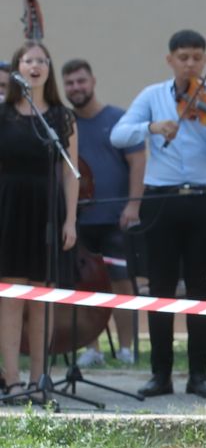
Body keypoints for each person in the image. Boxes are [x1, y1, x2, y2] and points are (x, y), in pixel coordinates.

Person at [110, 29, 206, 398]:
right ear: (171, 60)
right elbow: (119, 135)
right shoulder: (152, 96)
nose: (191, 64)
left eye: (197, 57)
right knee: (161, 286)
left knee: (201, 286)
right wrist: (151, 126)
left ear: (204, 58)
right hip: (161, 198)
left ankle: (199, 374)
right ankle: (160, 373)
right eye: (183, 57)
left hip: (204, 199)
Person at [0, 42, 78, 392]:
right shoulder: (2, 114)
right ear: (18, 68)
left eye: (42, 60)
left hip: (47, 208)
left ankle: (38, 379)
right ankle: (13, 379)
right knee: (11, 297)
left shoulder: (62, 117)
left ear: (49, 69)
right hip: (8, 206)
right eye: (28, 60)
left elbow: (69, 173)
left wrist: (70, 220)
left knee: (42, 298)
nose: (36, 65)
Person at [62, 58, 145, 367]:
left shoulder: (118, 119)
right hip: (79, 219)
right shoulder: (65, 123)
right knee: (82, 285)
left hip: (116, 218)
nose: (76, 88)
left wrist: (133, 204)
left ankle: (126, 348)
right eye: (69, 83)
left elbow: (138, 161)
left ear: (93, 81)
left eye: (81, 81)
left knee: (121, 283)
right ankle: (91, 349)